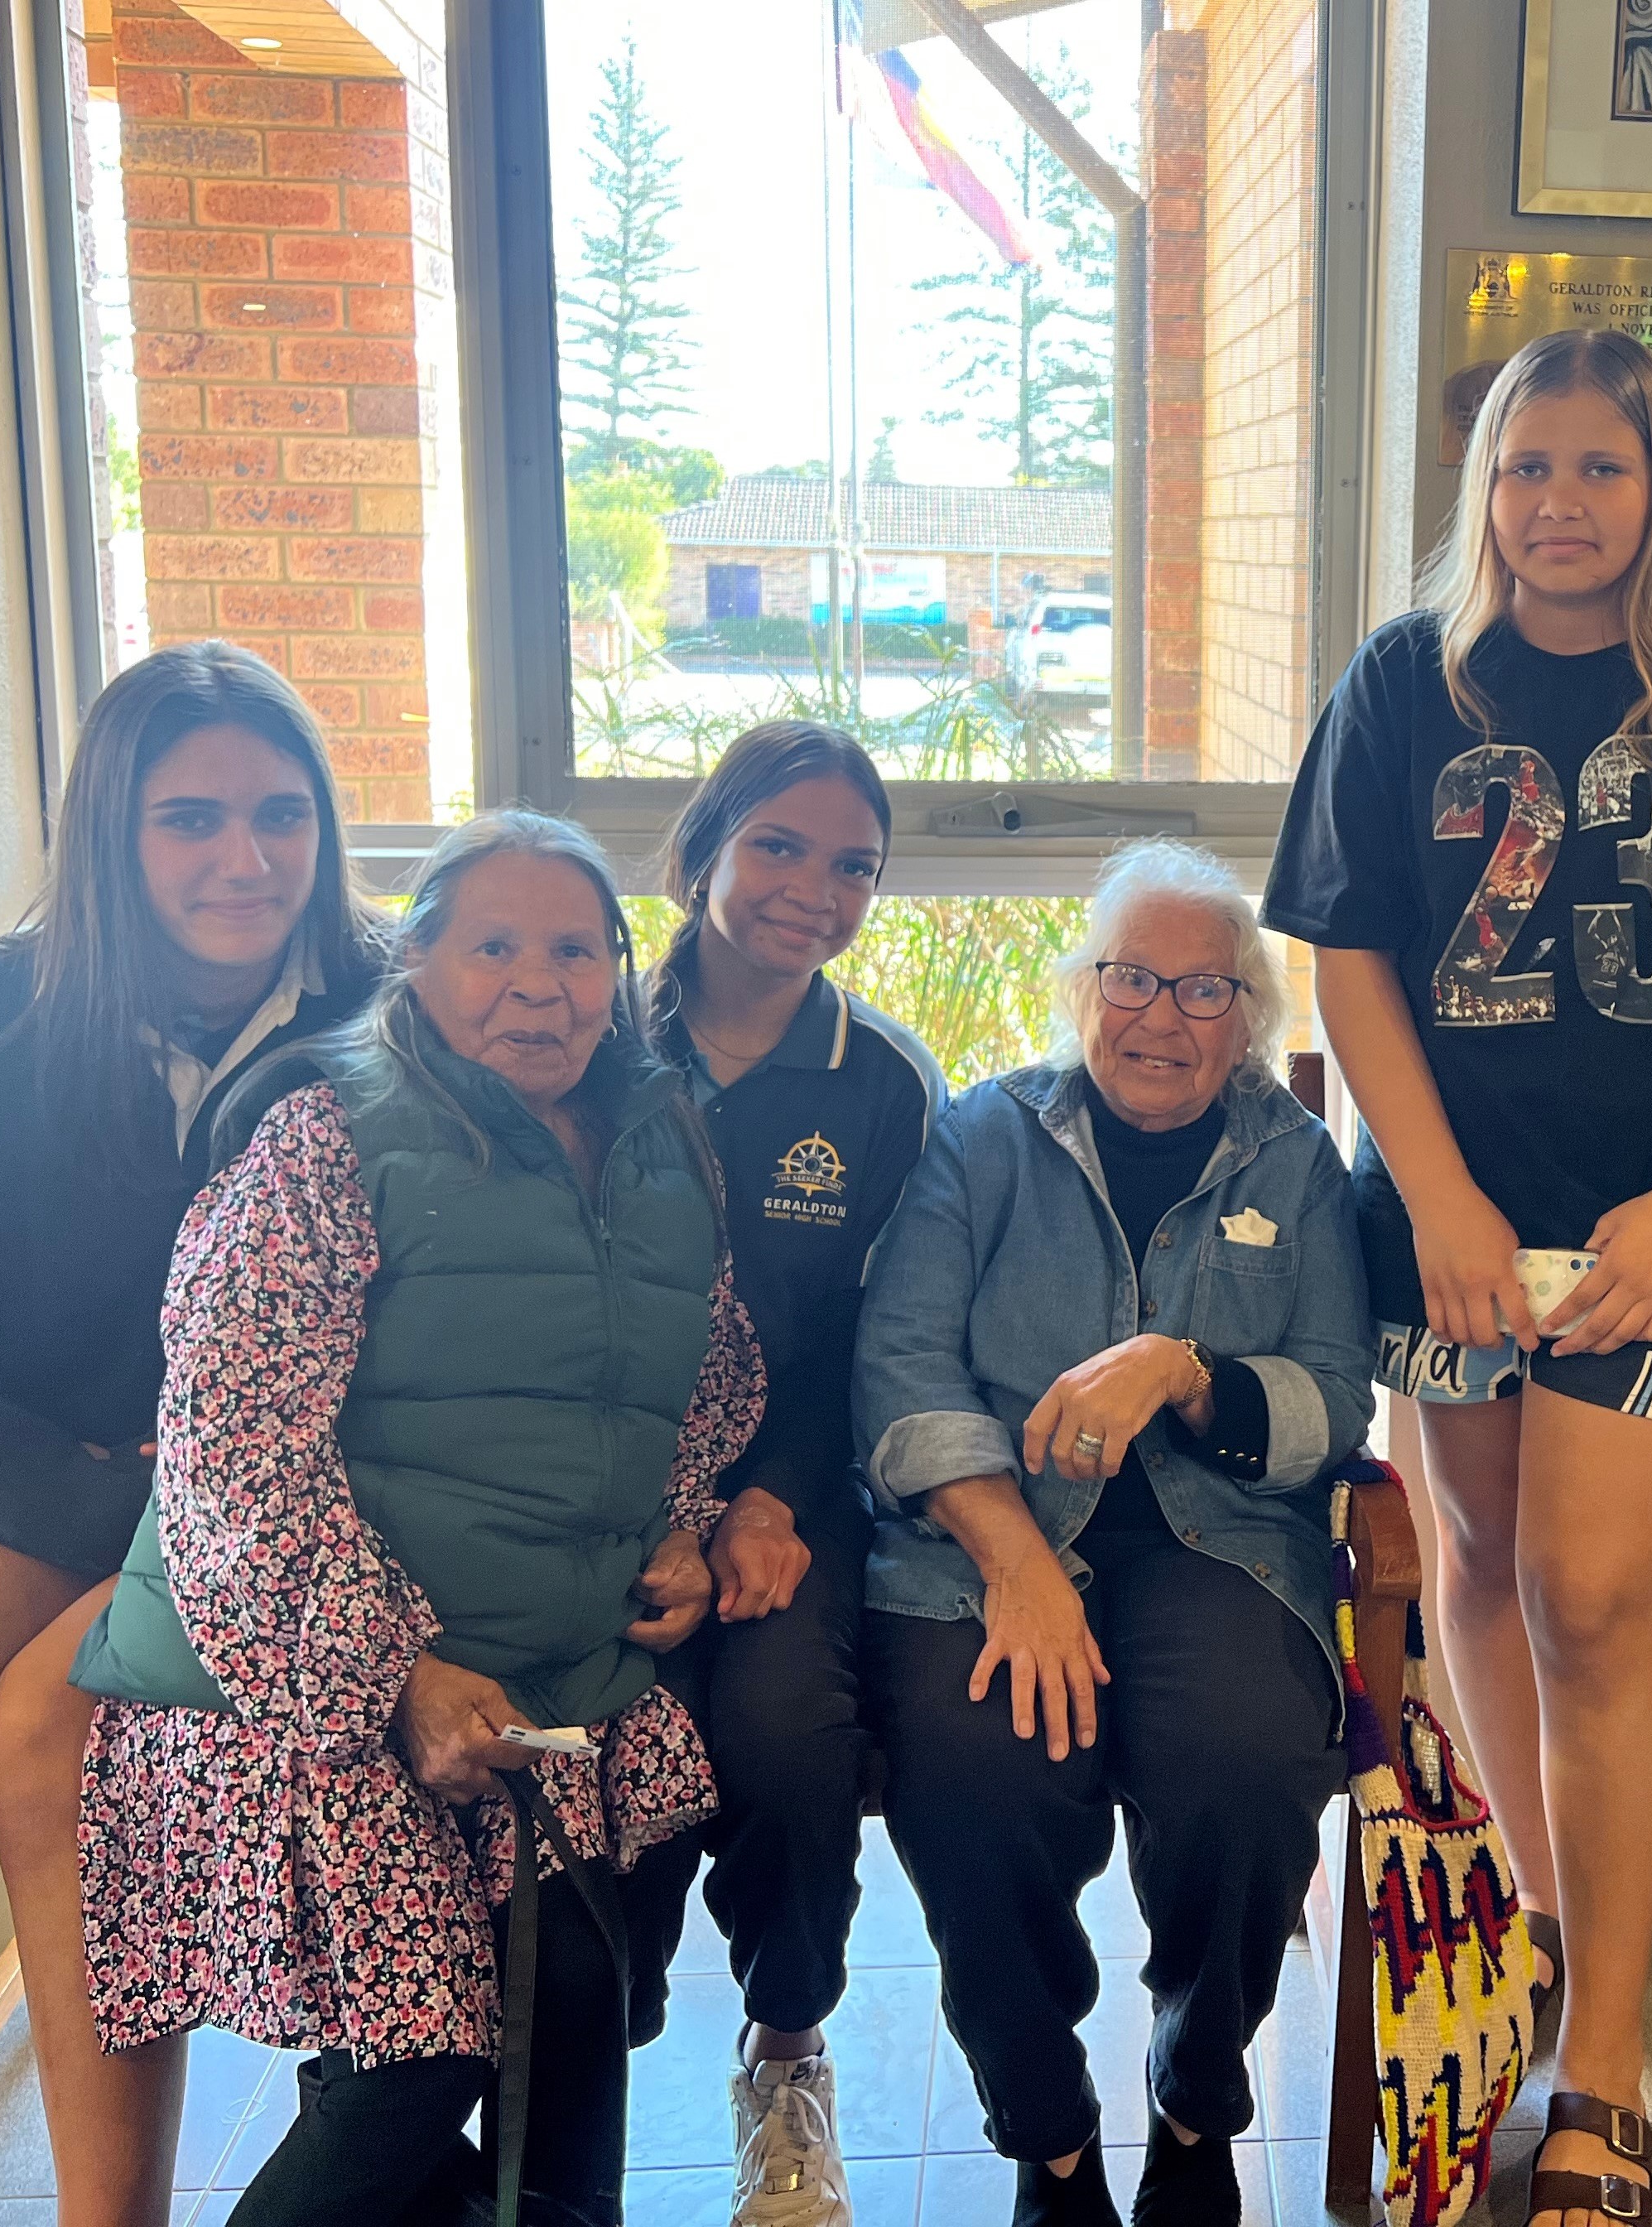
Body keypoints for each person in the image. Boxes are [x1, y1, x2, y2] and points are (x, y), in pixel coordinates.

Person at [1265, 326, 1652, 2227]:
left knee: (1592, 1596)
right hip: (1449, 1230)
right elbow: (1351, 955)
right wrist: (1438, 1195)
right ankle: (1546, 1941)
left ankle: (1603, 2069)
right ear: (1486, 489)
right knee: (1470, 1565)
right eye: (1526, 468)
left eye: (1599, 468)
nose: (1559, 505)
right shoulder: (1406, 678)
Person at [66, 810, 763, 2227]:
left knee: (582, 1989)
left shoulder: (660, 1141)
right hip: (290, 1698)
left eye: (574, 947)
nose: (538, 982)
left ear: (621, 971)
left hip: (545, 1684)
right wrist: (391, 1676)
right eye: (491, 945)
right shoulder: (327, 1136)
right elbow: (230, 1455)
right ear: (418, 968)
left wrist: (686, 1524)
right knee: (426, 2048)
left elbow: (708, 1378)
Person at [0, 642, 385, 2227]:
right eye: (188, 819)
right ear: (110, 835)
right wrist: (71, 1499)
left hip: (289, 1502)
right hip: (52, 1495)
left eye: (279, 815)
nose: (242, 859)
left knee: (60, 1743)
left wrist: (210, 1513)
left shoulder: (392, 1021)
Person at [851, 839, 1373, 2227]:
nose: (1163, 1017)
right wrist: (1017, 1562)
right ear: (1082, 988)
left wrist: (1191, 1367)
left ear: (1251, 1020)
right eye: (1133, 978)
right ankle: (1052, 2132)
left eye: (1208, 991)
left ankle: (1199, 2096)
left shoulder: (1296, 1158)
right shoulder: (981, 1135)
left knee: (1249, 1763)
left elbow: (1335, 1390)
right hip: (989, 1544)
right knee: (973, 1772)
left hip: (1222, 1546)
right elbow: (900, 1367)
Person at [633, 722, 945, 2227]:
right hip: (594, 1500)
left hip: (791, 1499)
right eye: (779, 846)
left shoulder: (880, 1084)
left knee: (781, 1731)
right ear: (702, 851)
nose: (813, 889)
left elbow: (877, 1342)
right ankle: (565, 2071)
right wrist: (660, 1519)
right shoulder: (580, 1032)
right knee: (588, 1729)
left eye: (853, 866)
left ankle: (786, 2047)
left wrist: (759, 1503)